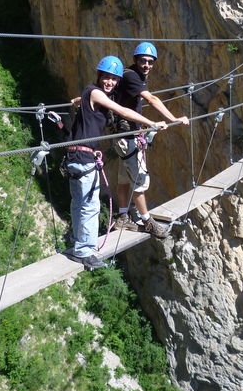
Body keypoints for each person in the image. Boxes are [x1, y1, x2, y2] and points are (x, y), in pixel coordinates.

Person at [63, 55, 167, 270]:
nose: (109, 82)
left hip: (74, 156)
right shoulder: (94, 92)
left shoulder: (91, 92)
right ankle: (84, 251)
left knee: (78, 204)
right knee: (90, 206)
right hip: (83, 157)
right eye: (106, 77)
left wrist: (78, 100)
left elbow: (100, 100)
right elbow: (123, 111)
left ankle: (77, 243)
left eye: (114, 79)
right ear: (99, 76)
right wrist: (151, 123)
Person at [112, 42, 189, 238]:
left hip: (122, 135)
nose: (147, 65)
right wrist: (174, 119)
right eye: (143, 61)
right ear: (135, 60)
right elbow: (152, 99)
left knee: (124, 178)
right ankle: (147, 222)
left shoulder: (133, 74)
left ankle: (122, 216)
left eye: (150, 62)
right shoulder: (132, 76)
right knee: (139, 180)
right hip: (127, 137)